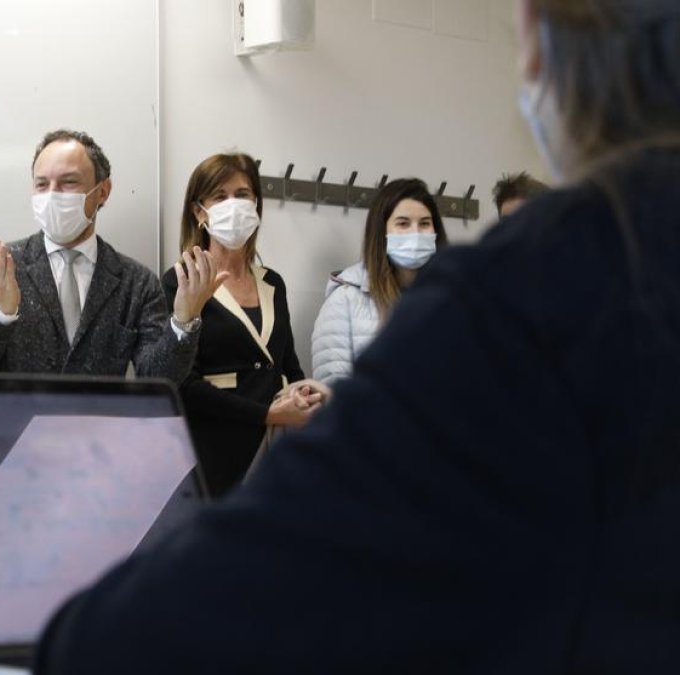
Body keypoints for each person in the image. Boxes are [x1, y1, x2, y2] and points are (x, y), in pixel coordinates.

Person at [34, 0, 680, 671]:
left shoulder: (514, 300)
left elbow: (264, 564)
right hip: (215, 460)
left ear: (535, 41)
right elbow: (172, 379)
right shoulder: (179, 281)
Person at [0, 129, 224, 381]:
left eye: (68, 182)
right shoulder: (5, 264)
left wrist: (183, 321)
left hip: (97, 433)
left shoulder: (136, 282)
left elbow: (157, 378)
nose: (53, 195)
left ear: (102, 191)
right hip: (15, 432)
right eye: (42, 184)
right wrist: (0, 312)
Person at [162, 153, 325, 498]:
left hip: (275, 455)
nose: (233, 205)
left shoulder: (272, 282)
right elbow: (183, 385)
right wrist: (266, 414)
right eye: (220, 196)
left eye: (242, 194)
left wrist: (305, 398)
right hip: (212, 458)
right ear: (198, 211)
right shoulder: (181, 281)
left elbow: (287, 363)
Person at [309, 178, 448, 385]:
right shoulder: (345, 300)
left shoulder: (450, 297)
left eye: (425, 223)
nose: (416, 232)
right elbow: (332, 392)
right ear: (381, 231)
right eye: (403, 223)